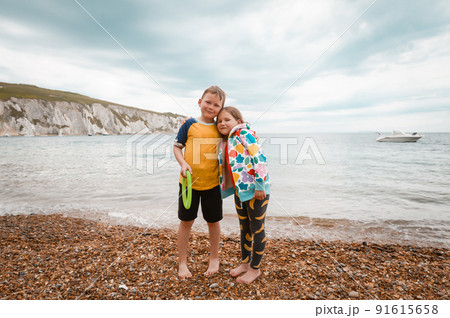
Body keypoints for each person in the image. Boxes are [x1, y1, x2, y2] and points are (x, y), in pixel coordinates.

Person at [173, 86, 226, 279]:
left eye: (216, 105)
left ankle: (214, 258)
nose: (211, 107)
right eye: (208, 102)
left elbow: (237, 135)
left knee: (213, 221)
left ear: (221, 108)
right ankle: (182, 262)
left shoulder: (220, 128)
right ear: (199, 102)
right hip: (188, 183)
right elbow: (177, 148)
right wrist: (183, 163)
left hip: (212, 184)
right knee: (186, 221)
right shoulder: (189, 125)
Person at [217, 106, 270, 284]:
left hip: (257, 191)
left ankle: (255, 269)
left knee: (257, 229)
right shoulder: (227, 140)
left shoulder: (244, 134)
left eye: (227, 120)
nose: (222, 123)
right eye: (220, 121)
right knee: (244, 228)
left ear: (238, 122)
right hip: (240, 193)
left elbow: (260, 158)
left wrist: (260, 185)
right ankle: (245, 264)